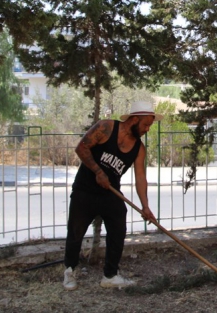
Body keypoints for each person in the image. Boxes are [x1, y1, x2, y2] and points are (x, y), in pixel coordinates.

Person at [62, 101, 161, 290]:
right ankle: (70, 271)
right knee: (76, 232)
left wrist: (145, 206)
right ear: (133, 120)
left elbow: (141, 178)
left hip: (110, 192)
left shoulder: (138, 149)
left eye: (150, 125)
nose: (147, 129)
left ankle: (110, 275)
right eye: (145, 124)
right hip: (85, 190)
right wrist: (98, 172)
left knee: (118, 227)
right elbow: (81, 148)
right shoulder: (106, 127)